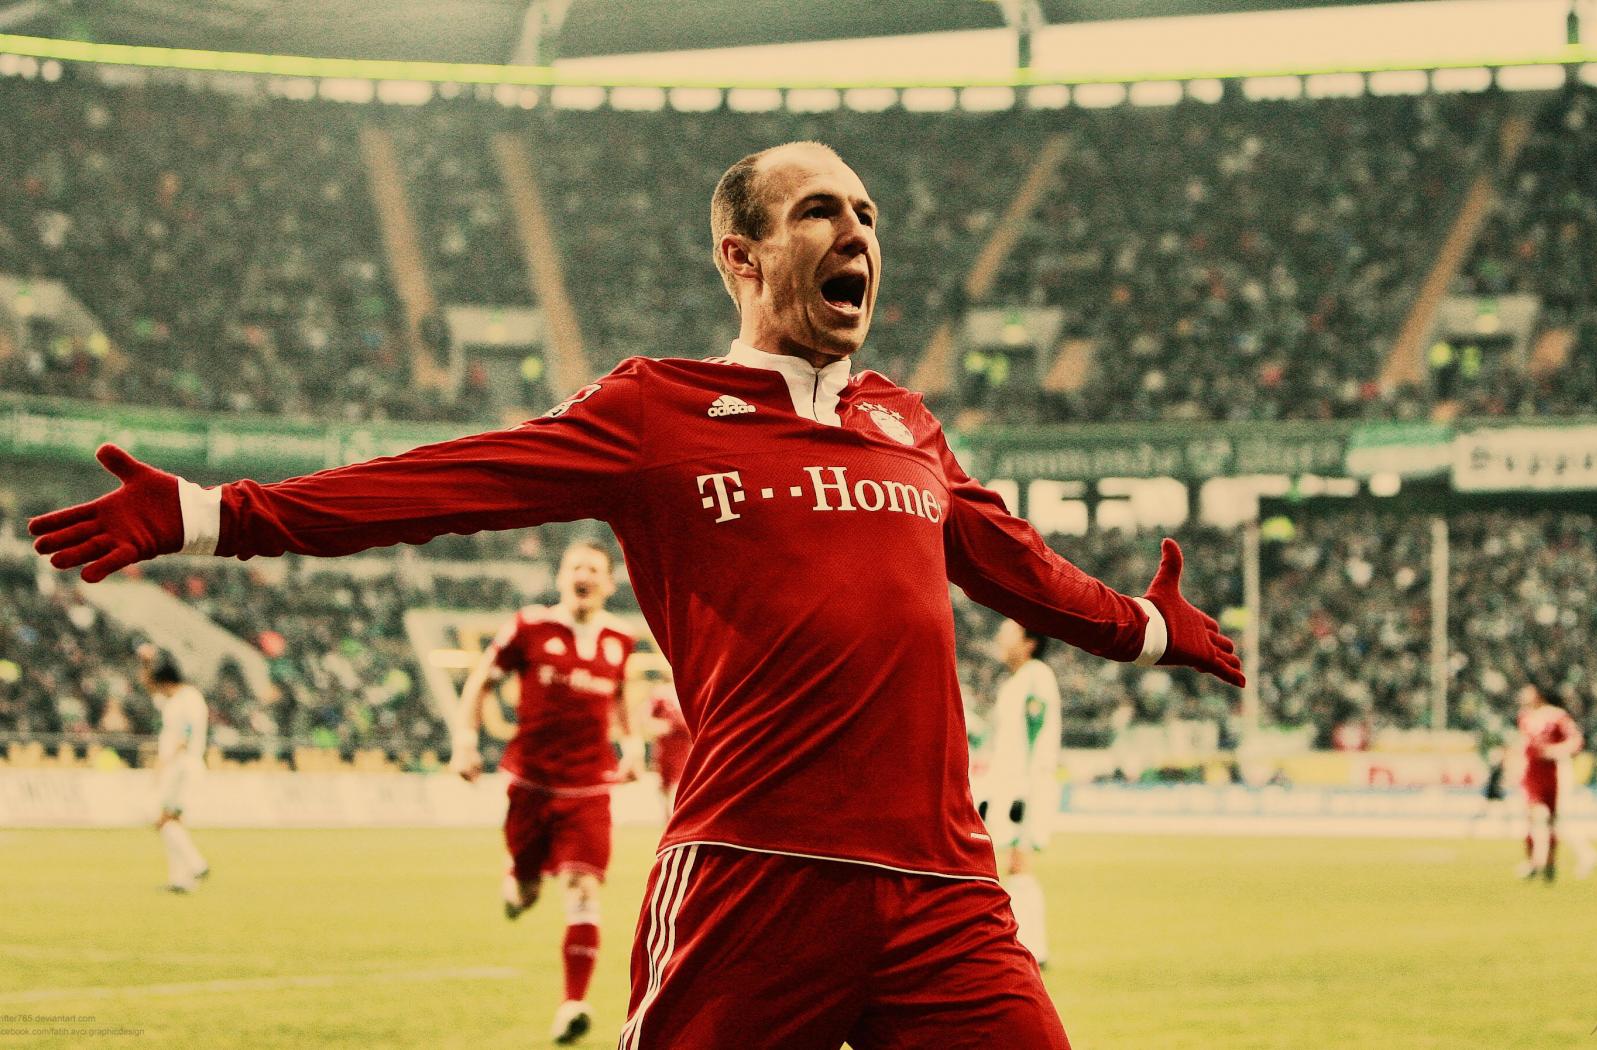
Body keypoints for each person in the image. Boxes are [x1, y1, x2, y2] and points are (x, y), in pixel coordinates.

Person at [30, 140, 1243, 1049]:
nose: (857, 231)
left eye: (868, 214)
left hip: (946, 891)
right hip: (752, 876)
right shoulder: (655, 411)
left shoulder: (907, 425)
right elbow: (450, 481)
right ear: (740, 255)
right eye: (820, 210)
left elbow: (1015, 563)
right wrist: (217, 514)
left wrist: (1144, 628)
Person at [450, 539, 642, 1045]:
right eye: (576, 566)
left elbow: (622, 697)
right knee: (526, 892)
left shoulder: (620, 639)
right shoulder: (529, 626)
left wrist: (632, 747)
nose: (584, 575)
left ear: (609, 583)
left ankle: (573, 1004)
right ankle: (517, 880)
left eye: (594, 569)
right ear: (561, 577)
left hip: (589, 787)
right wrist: (465, 741)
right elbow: (481, 681)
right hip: (531, 785)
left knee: (582, 888)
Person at [980, 619, 1062, 968]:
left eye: (1009, 631)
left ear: (1030, 642)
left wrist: (1025, 790)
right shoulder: (1016, 681)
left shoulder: (1036, 677)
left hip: (1026, 788)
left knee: (1019, 862)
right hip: (1012, 787)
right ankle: (1024, 945)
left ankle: (1034, 949)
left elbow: (1034, 734)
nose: (1001, 637)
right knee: (1012, 864)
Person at [142, 645, 210, 893]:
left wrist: (165, 761)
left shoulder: (189, 698)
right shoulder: (174, 699)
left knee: (160, 819)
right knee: (174, 821)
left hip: (182, 765)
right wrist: (146, 663)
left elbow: (187, 734)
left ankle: (197, 864)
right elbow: (150, 686)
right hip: (178, 765)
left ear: (167, 682)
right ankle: (180, 880)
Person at [1514, 683, 1597, 881]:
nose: (1523, 696)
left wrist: (1554, 751)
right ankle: (1534, 862)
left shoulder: (1557, 716)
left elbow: (1576, 741)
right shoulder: (1524, 717)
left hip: (1554, 772)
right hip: (1532, 773)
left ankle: (1550, 862)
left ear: (1538, 694)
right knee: (1533, 816)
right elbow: (1524, 744)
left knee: (1554, 820)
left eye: (1528, 692)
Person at [643, 679, 691, 822]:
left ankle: (675, 818)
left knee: (676, 785)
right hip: (663, 747)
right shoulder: (660, 694)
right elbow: (646, 719)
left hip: (682, 747)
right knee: (664, 785)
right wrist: (660, 726)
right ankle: (669, 818)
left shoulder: (687, 689)